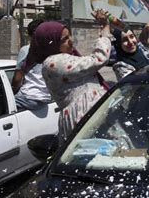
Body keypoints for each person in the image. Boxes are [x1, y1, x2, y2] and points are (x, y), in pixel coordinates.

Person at [41, 10, 112, 142]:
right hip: (81, 120)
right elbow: (98, 59)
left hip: (90, 118)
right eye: (64, 39)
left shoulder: (66, 58)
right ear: (51, 42)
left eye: (69, 36)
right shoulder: (53, 63)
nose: (71, 41)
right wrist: (105, 29)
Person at [12, 19, 44, 93]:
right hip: (47, 97)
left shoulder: (26, 50)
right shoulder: (52, 50)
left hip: (28, 94)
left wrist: (12, 91)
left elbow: (17, 79)